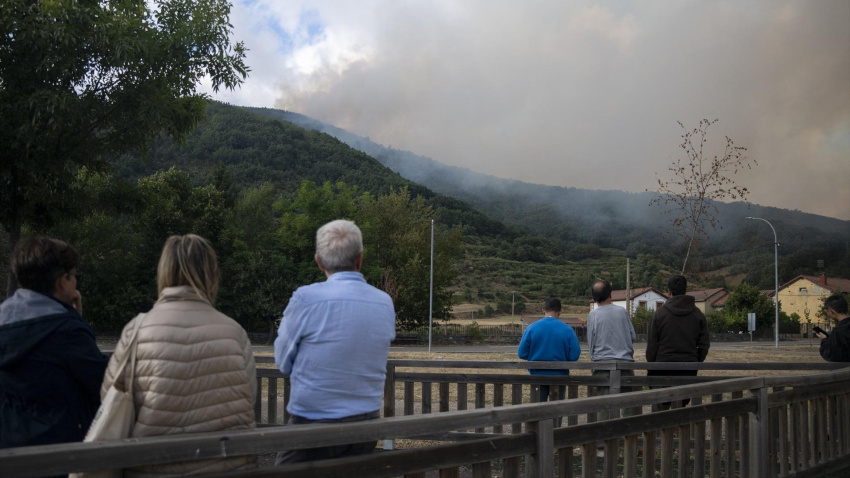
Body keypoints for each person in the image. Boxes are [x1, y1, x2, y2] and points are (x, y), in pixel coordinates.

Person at [101, 234, 257, 475]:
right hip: (225, 469)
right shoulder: (235, 332)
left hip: (153, 469)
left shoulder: (137, 330)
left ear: (164, 271)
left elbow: (109, 399)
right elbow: (250, 397)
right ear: (211, 274)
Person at [274, 219, 396, 465]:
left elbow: (282, 362)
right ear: (360, 259)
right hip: (366, 424)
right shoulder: (384, 302)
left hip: (313, 423)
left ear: (318, 261)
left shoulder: (306, 299)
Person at [0, 237, 108, 449]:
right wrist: (76, 320)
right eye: (74, 276)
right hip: (56, 452)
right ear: (63, 280)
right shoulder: (67, 332)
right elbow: (103, 383)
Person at [646, 275, 710, 408]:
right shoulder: (697, 314)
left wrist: (652, 364)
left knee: (661, 408)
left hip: (662, 369)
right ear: (685, 290)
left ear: (669, 291)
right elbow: (704, 344)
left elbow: (652, 345)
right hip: (688, 369)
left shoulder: (660, 314)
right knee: (681, 408)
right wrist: (696, 360)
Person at [586, 280, 638, 418]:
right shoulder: (622, 312)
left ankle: (605, 437)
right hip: (624, 363)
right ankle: (628, 436)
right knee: (627, 404)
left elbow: (591, 342)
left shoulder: (593, 315)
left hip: (602, 364)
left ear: (594, 297)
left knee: (604, 404)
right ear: (610, 294)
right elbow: (633, 336)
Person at [518, 298, 581, 404]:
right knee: (557, 410)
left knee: (537, 409)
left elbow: (522, 353)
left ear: (543, 310)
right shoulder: (567, 329)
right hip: (559, 375)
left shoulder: (531, 328)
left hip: (537, 375)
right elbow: (574, 355)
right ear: (560, 311)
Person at [816, 294, 850, 362]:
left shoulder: (838, 331)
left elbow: (832, 356)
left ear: (831, 311)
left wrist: (824, 340)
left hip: (844, 370)